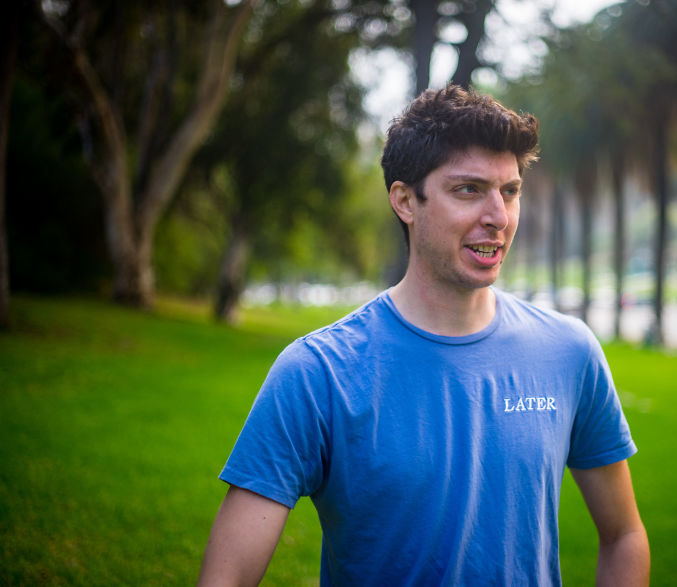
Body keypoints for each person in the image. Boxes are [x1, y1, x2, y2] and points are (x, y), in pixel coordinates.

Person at [197, 85, 649, 586]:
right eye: (468, 190)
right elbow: (228, 577)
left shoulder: (569, 352)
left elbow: (625, 536)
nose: (498, 217)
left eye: (510, 191)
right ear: (406, 201)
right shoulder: (317, 373)